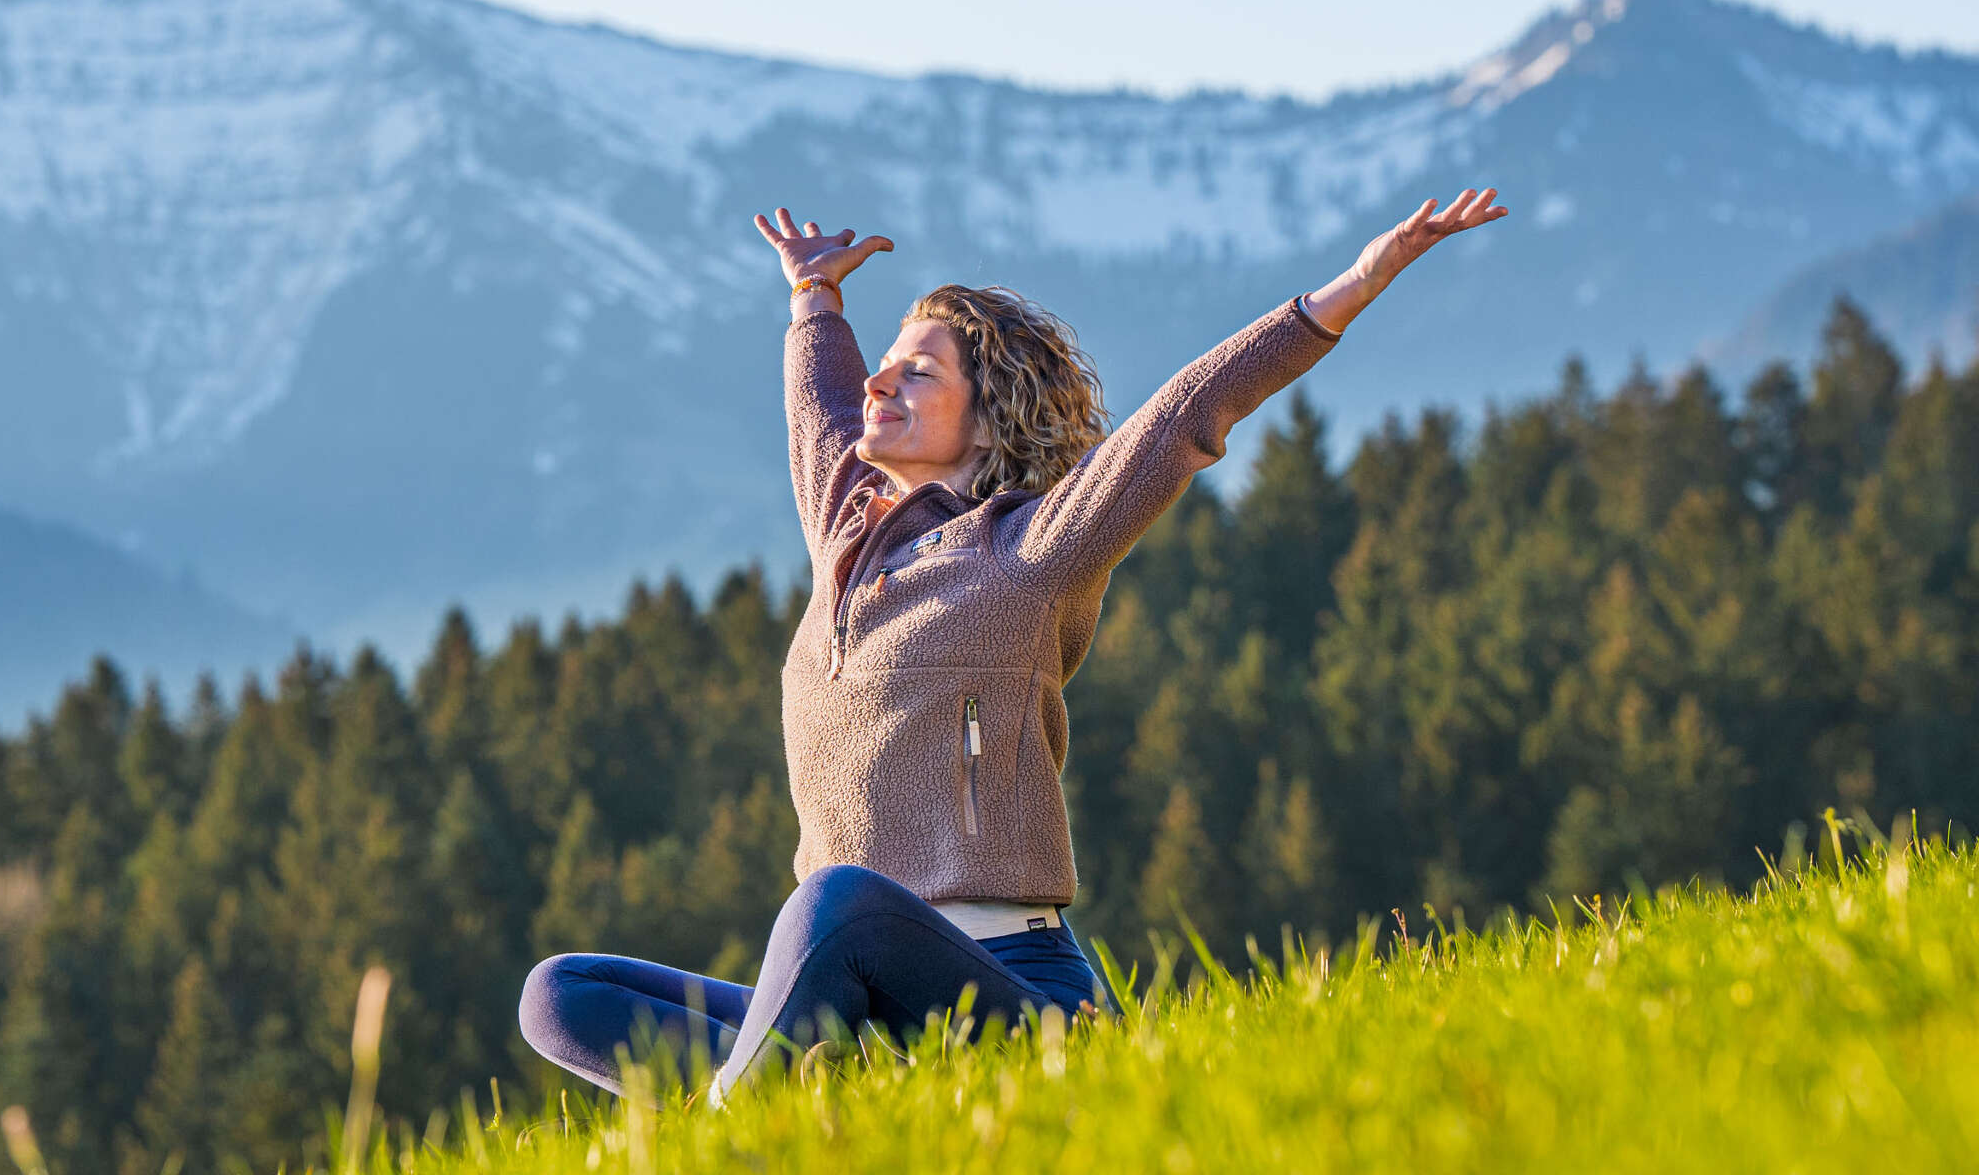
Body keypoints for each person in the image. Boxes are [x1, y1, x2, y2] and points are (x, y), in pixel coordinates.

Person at [518, 190, 1511, 1102]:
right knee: (561, 992)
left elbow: (1180, 419)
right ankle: (824, 1086)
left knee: (838, 902)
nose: (880, 381)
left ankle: (739, 1128)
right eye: (886, 363)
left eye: (919, 371)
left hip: (1007, 992)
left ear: (989, 421)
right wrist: (813, 296)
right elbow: (820, 406)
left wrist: (1350, 288)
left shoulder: (1029, 552)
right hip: (854, 987)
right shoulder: (845, 533)